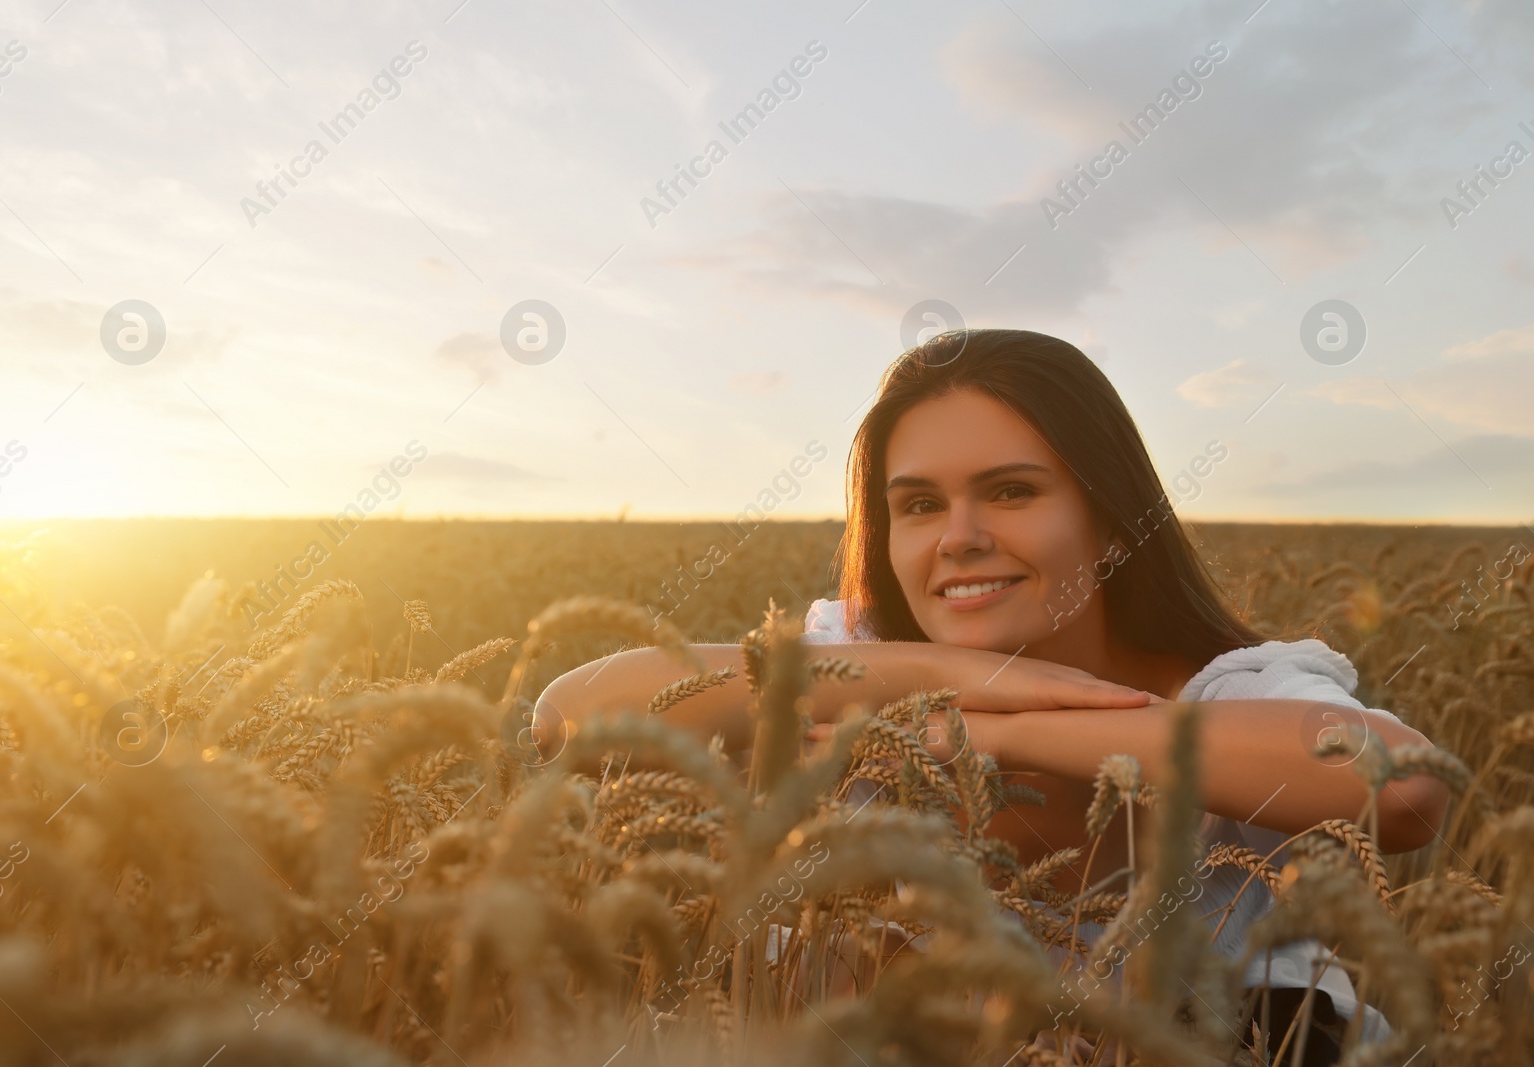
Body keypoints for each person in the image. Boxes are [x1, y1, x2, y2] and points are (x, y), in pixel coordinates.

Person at [536, 328, 1447, 1058]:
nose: (959, 537)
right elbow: (570, 717)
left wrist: (1002, 735)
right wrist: (953, 679)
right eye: (920, 505)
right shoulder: (856, 659)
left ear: (1107, 513)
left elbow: (1402, 783)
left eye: (1011, 491)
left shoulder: (1223, 689)